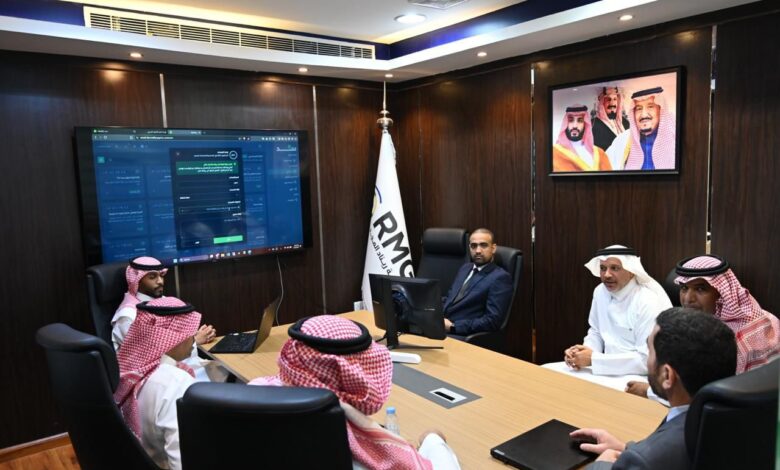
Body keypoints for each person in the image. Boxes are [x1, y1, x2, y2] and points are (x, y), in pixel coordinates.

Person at [248, 315, 461, 470]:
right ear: (349, 372)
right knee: (433, 439)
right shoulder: (349, 444)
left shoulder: (252, 394)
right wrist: (433, 441)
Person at [571, 307, 737, 469]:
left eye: (649, 351)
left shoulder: (646, 459)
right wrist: (626, 449)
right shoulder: (734, 420)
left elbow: (656, 457)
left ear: (667, 376)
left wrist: (602, 463)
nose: (647, 362)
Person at [547, 245, 672, 380]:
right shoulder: (600, 292)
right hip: (603, 369)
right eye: (602, 268)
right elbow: (596, 332)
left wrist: (594, 360)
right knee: (549, 373)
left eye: (615, 268)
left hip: (637, 377)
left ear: (631, 271)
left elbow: (646, 360)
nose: (607, 274)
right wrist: (581, 353)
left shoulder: (647, 300)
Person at [114, 297, 202, 470]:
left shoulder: (127, 372)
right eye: (191, 332)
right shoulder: (176, 384)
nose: (193, 339)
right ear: (176, 337)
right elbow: (182, 462)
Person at [112, 256, 220, 382]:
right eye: (152, 277)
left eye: (161, 275)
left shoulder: (163, 301)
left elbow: (169, 340)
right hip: (156, 378)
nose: (160, 281)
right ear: (137, 280)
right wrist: (194, 341)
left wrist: (192, 337)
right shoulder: (128, 315)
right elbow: (151, 358)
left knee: (230, 374)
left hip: (183, 365)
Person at [442, 228, 512, 336]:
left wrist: (453, 326)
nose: (478, 250)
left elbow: (492, 321)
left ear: (493, 248)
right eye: (473, 246)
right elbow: (450, 298)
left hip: (462, 334)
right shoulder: (465, 268)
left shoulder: (500, 278)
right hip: (441, 325)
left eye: (483, 245)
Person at [607, 87, 676, 171]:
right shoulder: (622, 141)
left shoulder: (675, 138)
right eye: (639, 108)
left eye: (650, 107)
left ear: (660, 110)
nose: (643, 115)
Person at [552, 105, 612, 172]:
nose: (575, 126)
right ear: (566, 124)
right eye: (571, 120)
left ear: (585, 124)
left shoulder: (600, 154)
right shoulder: (554, 153)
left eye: (580, 121)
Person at [592, 87, 629, 156]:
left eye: (615, 99)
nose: (612, 103)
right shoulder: (593, 125)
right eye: (608, 99)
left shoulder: (625, 122)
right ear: (602, 102)